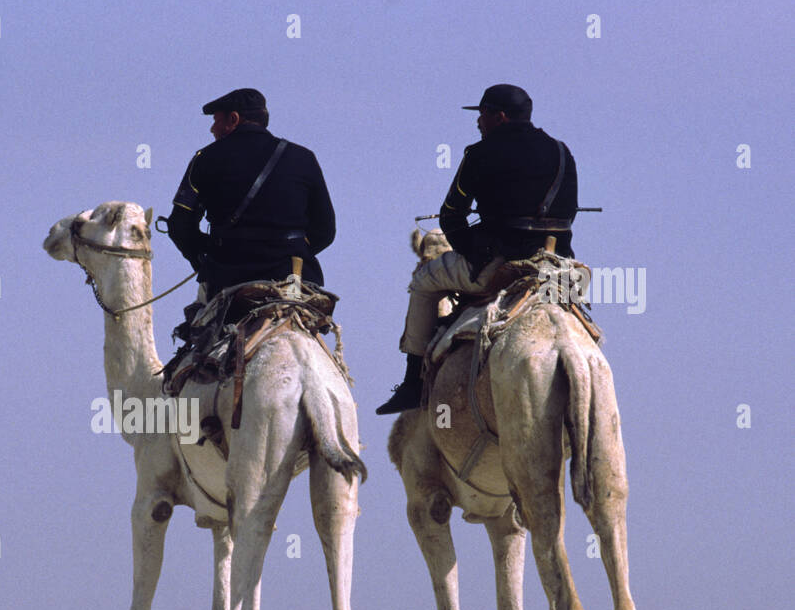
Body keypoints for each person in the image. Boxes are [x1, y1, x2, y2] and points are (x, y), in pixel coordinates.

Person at [376, 84, 578, 414]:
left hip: (499, 265)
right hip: (556, 268)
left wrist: (473, 252)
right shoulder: (561, 151)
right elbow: (567, 214)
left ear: (498, 117)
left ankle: (412, 383)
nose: (478, 122)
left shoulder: (480, 153)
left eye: (482, 114)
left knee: (423, 282)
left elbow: (451, 216)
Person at [165, 87, 336, 323]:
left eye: (216, 121)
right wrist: (284, 250)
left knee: (197, 344)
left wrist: (203, 257)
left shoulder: (205, 158)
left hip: (226, 278)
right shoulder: (304, 158)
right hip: (292, 279)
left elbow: (179, 227)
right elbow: (325, 231)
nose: (212, 129)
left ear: (233, 119)